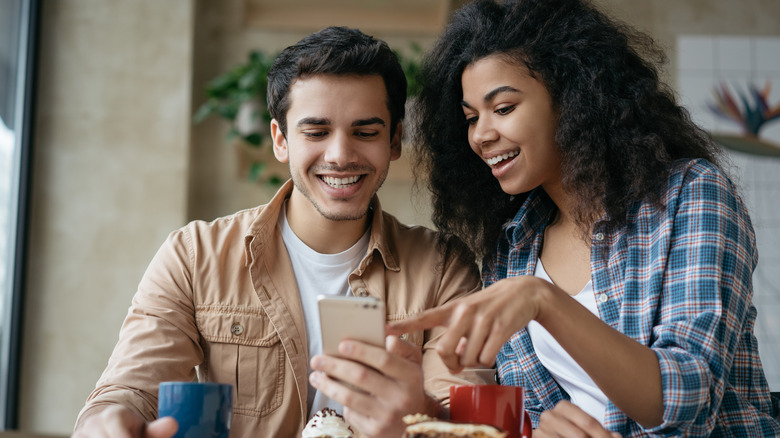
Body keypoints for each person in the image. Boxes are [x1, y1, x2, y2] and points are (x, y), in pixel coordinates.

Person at [73, 26, 492, 438]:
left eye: (366, 133)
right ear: (280, 139)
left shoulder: (443, 268)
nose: (341, 155)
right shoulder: (195, 254)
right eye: (316, 132)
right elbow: (128, 390)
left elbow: (470, 420)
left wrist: (417, 414)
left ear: (395, 140)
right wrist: (106, 422)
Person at [388, 0, 780, 436]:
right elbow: (531, 416)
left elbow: (688, 399)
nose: (481, 135)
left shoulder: (690, 195)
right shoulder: (513, 248)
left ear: (572, 96)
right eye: (470, 117)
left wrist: (545, 301)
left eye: (503, 108)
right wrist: (424, 404)